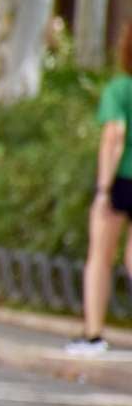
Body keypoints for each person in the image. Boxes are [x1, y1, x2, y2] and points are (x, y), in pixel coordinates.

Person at [74, 22, 132, 354]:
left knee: (100, 256)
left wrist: (103, 189)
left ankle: (93, 334)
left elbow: (114, 136)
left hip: (122, 181)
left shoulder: (120, 89)